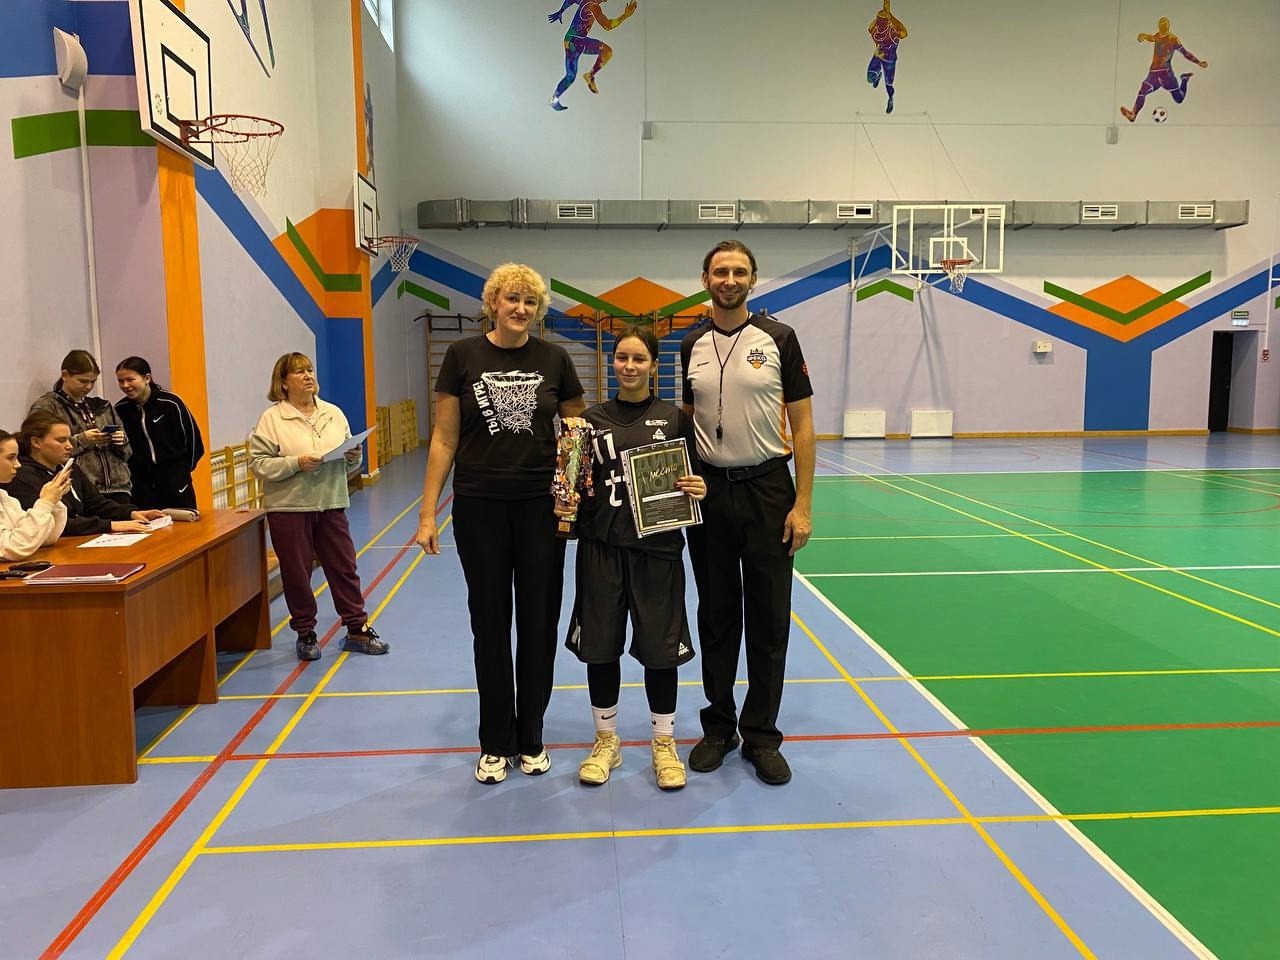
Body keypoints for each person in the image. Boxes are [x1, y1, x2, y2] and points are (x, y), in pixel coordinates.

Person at [416, 263, 586, 784]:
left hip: (540, 511)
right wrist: (427, 513)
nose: (521, 309)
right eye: (512, 299)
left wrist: (572, 499)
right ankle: (495, 741)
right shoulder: (461, 356)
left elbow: (576, 434)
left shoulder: (555, 359)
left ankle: (531, 736)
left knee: (538, 622)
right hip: (479, 508)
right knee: (489, 625)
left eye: (530, 302)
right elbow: (444, 438)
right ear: (493, 302)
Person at [680, 240, 815, 785]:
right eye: (720, 271)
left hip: (768, 491)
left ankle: (761, 735)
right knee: (715, 618)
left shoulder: (779, 338)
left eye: (739, 271)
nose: (729, 279)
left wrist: (802, 504)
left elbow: (803, 426)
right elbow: (685, 421)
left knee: (767, 619)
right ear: (705, 279)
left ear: (753, 279)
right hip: (709, 494)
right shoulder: (690, 342)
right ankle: (719, 728)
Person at [563, 325, 705, 789]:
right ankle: (607, 741)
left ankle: (664, 743)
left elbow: (697, 478)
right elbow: (571, 485)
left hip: (658, 553)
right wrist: (563, 503)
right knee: (600, 648)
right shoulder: (589, 421)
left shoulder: (674, 419)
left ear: (654, 366)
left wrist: (699, 487)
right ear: (613, 363)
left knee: (661, 652)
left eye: (639, 359)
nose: (629, 366)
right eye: (622, 357)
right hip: (601, 551)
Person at [249, 353, 388, 662]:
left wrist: (353, 458)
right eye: (299, 372)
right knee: (296, 573)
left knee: (344, 567)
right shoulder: (272, 419)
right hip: (289, 508)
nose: (308, 376)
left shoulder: (333, 413)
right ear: (283, 382)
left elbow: (351, 462)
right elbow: (259, 464)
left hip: (331, 502)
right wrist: (296, 463)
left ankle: (357, 628)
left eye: (310, 370)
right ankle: (305, 633)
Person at [5, 411, 163, 536]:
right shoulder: (20, 476)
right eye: (61, 440)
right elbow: (52, 523)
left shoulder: (69, 468)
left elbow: (95, 503)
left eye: (69, 439)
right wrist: (109, 525)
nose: (69, 446)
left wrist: (131, 513)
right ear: (36, 442)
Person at [29, 349, 132, 503]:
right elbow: (40, 450)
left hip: (119, 487)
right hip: (80, 490)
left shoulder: (103, 406)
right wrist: (82, 440)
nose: (88, 386)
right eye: (83, 381)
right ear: (65, 375)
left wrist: (121, 441)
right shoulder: (47, 407)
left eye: (93, 382)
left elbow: (127, 453)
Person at [115, 357, 205, 509]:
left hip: (176, 482)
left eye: (130, 379)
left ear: (147, 378)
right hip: (141, 485)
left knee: (184, 523)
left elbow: (194, 442)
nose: (125, 385)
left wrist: (181, 472)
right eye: (120, 381)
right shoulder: (120, 409)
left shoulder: (171, 404)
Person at [547, 0, 638, 111]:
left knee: (606, 51)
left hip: (581, 40)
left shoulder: (587, 1)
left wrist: (561, 11)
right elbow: (608, 26)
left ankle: (589, 76)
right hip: (573, 42)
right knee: (570, 76)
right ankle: (554, 100)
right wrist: (625, 15)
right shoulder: (593, 6)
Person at [0, 427, 70, 559]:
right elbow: (12, 548)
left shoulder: (5, 498)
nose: (18, 464)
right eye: (11, 458)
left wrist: (53, 501)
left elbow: (43, 539)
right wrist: (45, 503)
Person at [1120, 17, 1207, 122]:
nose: (1161, 30)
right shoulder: (1158, 36)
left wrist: (1198, 62)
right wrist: (1143, 36)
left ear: (1167, 27)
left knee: (1179, 99)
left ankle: (1184, 79)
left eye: (1163, 27)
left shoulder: (1173, 39)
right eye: (1160, 27)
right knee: (1142, 91)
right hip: (1153, 74)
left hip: (1166, 75)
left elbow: (1185, 53)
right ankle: (1133, 114)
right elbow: (1151, 38)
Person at [866, 0, 908, 115]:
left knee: (888, 84)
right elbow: (870, 28)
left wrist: (891, 17)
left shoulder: (892, 32)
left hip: (889, 61)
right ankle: (878, 75)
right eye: (878, 20)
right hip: (878, 55)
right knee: (870, 78)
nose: (879, 23)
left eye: (882, 21)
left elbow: (904, 33)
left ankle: (890, 98)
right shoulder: (875, 30)